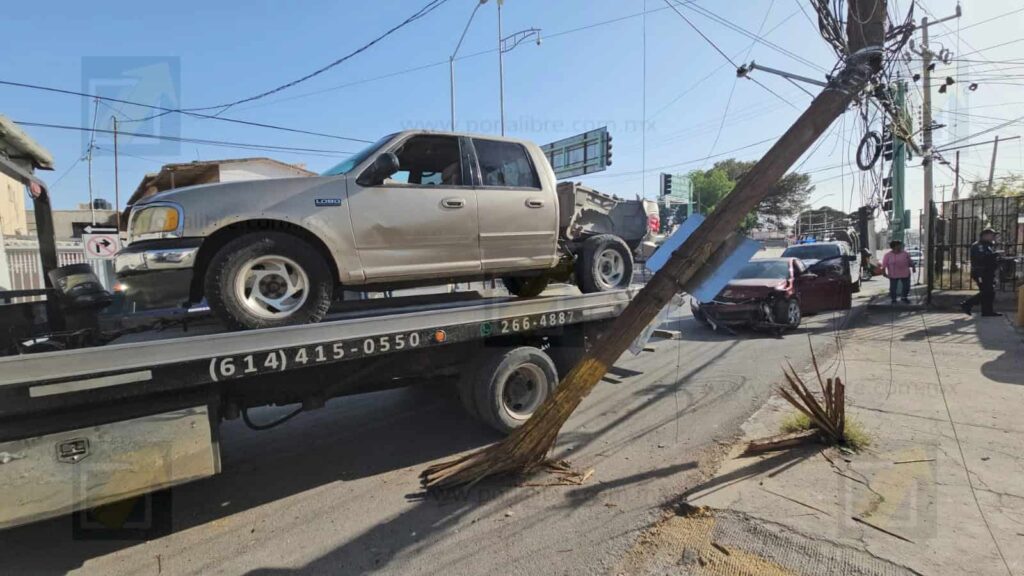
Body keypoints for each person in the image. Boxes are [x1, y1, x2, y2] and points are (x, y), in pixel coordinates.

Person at [961, 228, 1002, 317]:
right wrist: (995, 254)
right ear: (985, 235)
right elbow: (982, 258)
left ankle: (987, 311)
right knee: (986, 292)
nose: (994, 237)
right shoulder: (978, 246)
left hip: (988, 272)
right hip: (981, 273)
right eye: (992, 235)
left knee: (989, 292)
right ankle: (967, 304)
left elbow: (989, 259)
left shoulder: (987, 245)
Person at [882, 240, 914, 304]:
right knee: (893, 288)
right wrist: (884, 273)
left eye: (900, 245)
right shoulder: (888, 255)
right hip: (893, 274)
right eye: (898, 245)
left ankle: (904, 298)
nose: (900, 247)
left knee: (906, 286)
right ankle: (894, 299)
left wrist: (913, 267)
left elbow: (910, 262)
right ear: (893, 247)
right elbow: (884, 265)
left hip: (905, 273)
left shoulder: (905, 253)